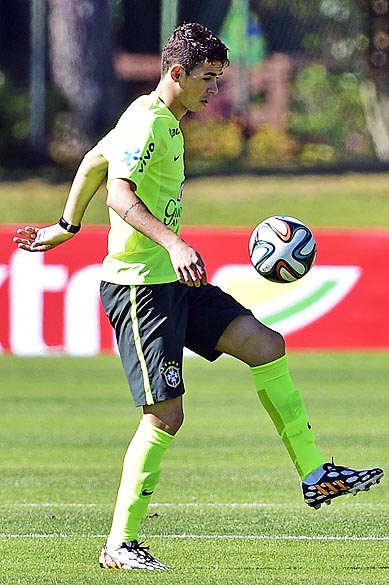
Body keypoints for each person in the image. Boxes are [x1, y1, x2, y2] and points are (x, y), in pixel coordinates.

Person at [14, 22, 384, 572]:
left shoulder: (158, 118)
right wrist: (174, 242)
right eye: (208, 79)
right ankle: (119, 543)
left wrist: (68, 224)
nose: (215, 90)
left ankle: (314, 475)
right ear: (177, 73)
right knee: (165, 417)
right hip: (141, 290)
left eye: (219, 78)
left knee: (267, 344)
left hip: (173, 281)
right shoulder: (148, 123)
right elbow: (119, 191)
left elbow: (94, 157)